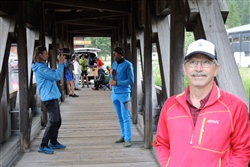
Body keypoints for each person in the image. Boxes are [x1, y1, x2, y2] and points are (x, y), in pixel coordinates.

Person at [153, 39, 250, 167]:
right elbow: (162, 143)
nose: (198, 68)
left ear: (216, 69)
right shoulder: (170, 105)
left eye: (206, 62)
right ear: (184, 69)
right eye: (193, 62)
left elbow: (242, 151)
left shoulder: (235, 107)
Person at [32, 45, 66, 154]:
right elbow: (56, 76)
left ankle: (54, 142)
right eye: (46, 54)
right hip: (49, 97)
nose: (47, 55)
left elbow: (53, 74)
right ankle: (43, 145)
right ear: (40, 55)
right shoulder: (41, 69)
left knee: (58, 121)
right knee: (53, 121)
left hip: (53, 96)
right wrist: (60, 63)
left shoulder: (43, 66)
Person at [110, 47, 134, 147]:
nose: (113, 55)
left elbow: (131, 80)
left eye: (115, 54)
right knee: (120, 117)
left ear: (120, 54)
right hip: (114, 94)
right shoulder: (114, 64)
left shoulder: (128, 65)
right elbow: (112, 76)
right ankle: (123, 136)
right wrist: (110, 82)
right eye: (113, 54)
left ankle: (128, 139)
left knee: (126, 116)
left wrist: (118, 82)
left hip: (124, 94)